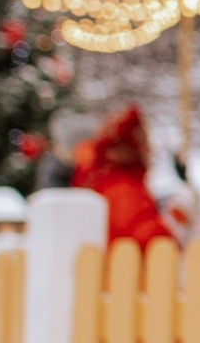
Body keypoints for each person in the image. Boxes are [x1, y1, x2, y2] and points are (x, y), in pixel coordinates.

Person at [69, 103, 176, 252]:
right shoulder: (123, 189)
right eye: (144, 142)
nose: (150, 150)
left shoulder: (94, 179)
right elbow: (154, 240)